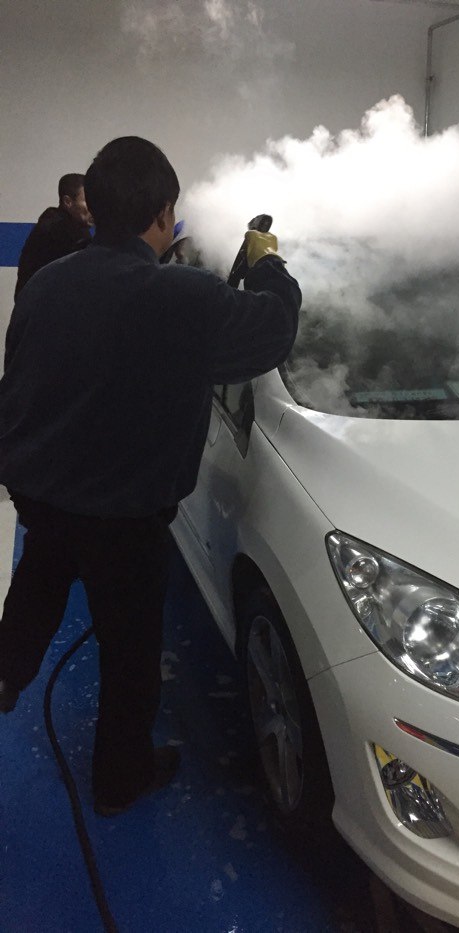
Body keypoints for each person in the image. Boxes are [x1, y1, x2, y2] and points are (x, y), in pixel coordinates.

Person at [0, 136, 301, 816]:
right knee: (130, 653)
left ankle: (4, 675)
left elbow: (20, 376)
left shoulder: (48, 283)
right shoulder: (180, 295)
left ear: (96, 208)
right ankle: (120, 779)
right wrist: (269, 266)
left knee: (38, 587)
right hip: (122, 518)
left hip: (42, 494)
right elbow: (272, 332)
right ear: (164, 213)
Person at [14, 173, 92, 298]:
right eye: (87, 201)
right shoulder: (64, 233)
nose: (93, 207)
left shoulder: (53, 225)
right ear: (68, 202)